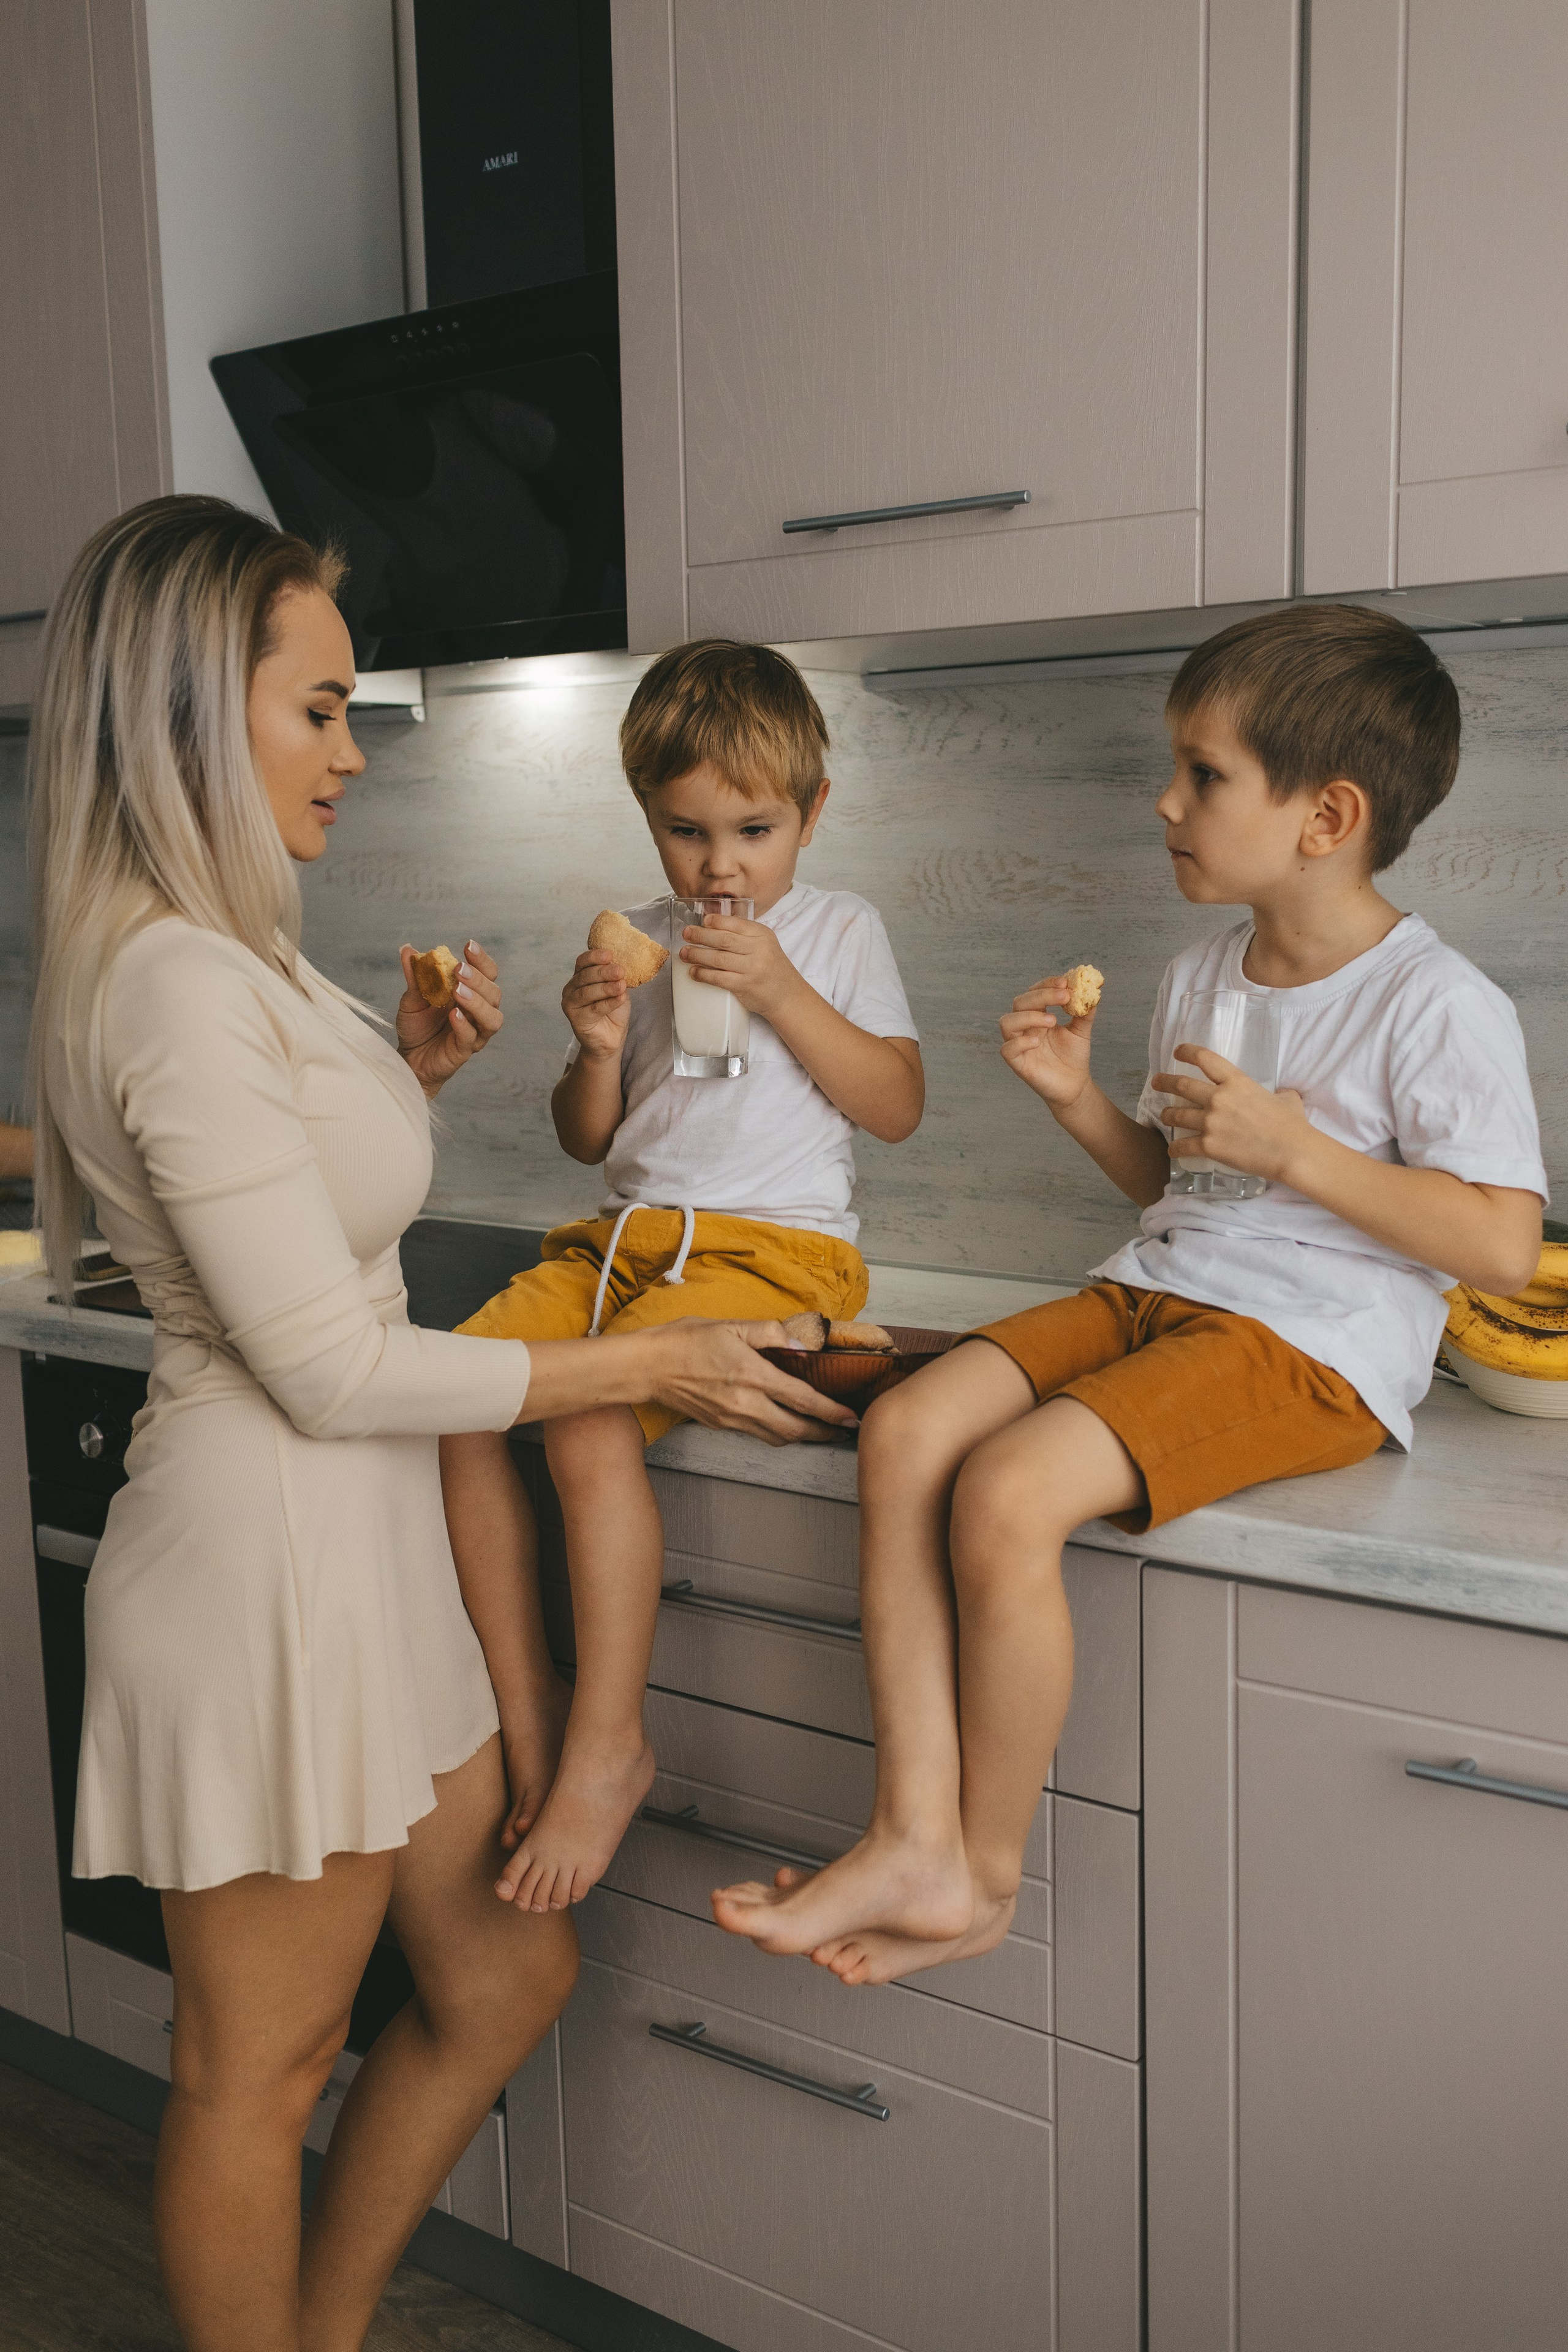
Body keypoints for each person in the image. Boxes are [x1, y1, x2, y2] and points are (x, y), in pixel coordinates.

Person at [29, 497, 853, 2352]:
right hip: (268, 1563)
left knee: (497, 1975)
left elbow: (282, 1210)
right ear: (183, 718)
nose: (349, 749)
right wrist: (640, 1366)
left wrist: (404, 1076)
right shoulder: (169, 974)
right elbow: (324, 1367)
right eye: (315, 708)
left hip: (372, 1546)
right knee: (263, 2062)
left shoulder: (236, 956)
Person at [711, 601, 1547, 1987]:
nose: (1164, 800)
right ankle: (907, 1827)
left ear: (1323, 812)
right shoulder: (1195, 975)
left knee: (1005, 1490)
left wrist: (1298, 1149)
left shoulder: (1433, 1002)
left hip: (1306, 1342)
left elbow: (1501, 1247)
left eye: (1201, 774)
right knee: (910, 1433)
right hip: (1159, 1285)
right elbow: (1177, 1190)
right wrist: (1076, 1102)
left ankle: (978, 1872)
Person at [440, 638, 924, 1914]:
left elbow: (894, 1106)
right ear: (648, 824)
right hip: (624, 1246)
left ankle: (608, 1741)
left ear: (811, 814)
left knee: (587, 1420)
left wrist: (783, 990)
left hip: (771, 1251)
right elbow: (589, 1138)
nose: (720, 867)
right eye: (685, 832)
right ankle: (530, 1705)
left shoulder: (836, 929)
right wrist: (595, 1044)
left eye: (753, 830)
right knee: (461, 1394)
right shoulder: (640, 943)